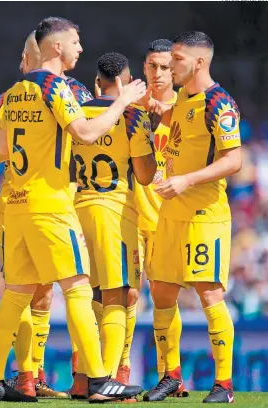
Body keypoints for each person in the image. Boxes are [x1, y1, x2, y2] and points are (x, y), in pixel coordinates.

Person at [0, 16, 147, 403]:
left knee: (16, 294)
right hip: (50, 206)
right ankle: (101, 379)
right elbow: (86, 133)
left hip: (16, 205)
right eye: (75, 42)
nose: (80, 49)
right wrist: (121, 102)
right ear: (56, 47)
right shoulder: (55, 86)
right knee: (78, 288)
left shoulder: (12, 93)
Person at [0, 30, 92, 399]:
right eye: (20, 55)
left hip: (26, 204)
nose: (20, 62)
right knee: (41, 290)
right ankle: (33, 377)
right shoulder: (39, 94)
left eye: (24, 53)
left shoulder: (51, 93)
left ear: (39, 53)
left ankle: (32, 376)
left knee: (34, 293)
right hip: (37, 203)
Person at [144, 31, 241, 404]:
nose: (171, 68)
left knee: (209, 293)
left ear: (199, 62)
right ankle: (171, 377)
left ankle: (224, 385)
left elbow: (234, 160)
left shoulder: (221, 103)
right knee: (162, 292)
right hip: (171, 212)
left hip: (204, 214)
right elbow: (174, 121)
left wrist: (186, 178)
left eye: (177, 61)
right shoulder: (184, 96)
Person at [70, 51, 156, 398]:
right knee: (116, 297)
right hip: (114, 212)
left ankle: (82, 377)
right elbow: (147, 176)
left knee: (85, 296)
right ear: (123, 82)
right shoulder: (134, 116)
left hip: (76, 210)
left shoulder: (75, 115)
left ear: (97, 80)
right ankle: (105, 380)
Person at [134, 38, 188, 396]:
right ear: (143, 68)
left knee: (164, 297)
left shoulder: (189, 107)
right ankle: (118, 374)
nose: (158, 73)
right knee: (122, 296)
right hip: (134, 213)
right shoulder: (128, 104)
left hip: (169, 217)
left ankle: (172, 375)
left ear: (176, 70)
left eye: (165, 67)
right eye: (152, 66)